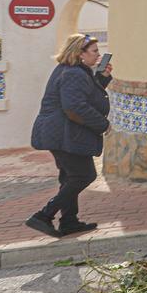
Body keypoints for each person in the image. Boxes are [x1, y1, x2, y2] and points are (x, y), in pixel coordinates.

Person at [25, 33, 112, 237]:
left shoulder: (73, 70)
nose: (98, 56)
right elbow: (74, 106)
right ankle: (43, 215)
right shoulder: (73, 73)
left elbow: (86, 94)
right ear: (80, 54)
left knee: (70, 177)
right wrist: (102, 124)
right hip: (65, 134)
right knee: (84, 175)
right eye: (94, 52)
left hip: (62, 134)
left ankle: (69, 221)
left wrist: (103, 78)